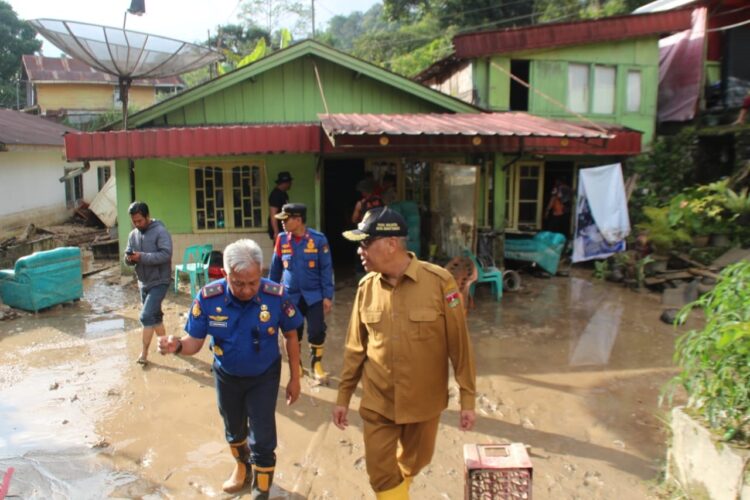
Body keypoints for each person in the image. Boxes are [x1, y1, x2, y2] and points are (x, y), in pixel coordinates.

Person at [332, 207, 476, 500]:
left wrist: (467, 398)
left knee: (416, 462)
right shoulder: (365, 288)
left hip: (423, 402)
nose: (360, 251)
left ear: (391, 244)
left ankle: (401, 488)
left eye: (365, 243)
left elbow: (459, 344)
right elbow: (354, 348)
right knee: (380, 473)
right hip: (378, 402)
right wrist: (343, 396)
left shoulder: (440, 282)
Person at [157, 239, 302, 498]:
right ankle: (242, 468)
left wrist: (295, 378)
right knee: (233, 428)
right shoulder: (208, 299)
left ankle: (261, 490)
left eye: (253, 282)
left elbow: (291, 335)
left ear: (261, 273)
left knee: (263, 436)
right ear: (225, 275)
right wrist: (176, 345)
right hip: (227, 376)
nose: (247, 290)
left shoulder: (276, 296)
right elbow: (194, 342)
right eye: (238, 283)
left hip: (264, 376)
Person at [269, 203, 334, 382]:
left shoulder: (318, 240)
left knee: (316, 331)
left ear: (298, 220)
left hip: (314, 296)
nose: (282, 223)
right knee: (293, 332)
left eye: (286, 219)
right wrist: (271, 294)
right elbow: (275, 270)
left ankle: (317, 365)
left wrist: (327, 296)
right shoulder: (282, 240)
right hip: (291, 297)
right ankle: (296, 365)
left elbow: (326, 270)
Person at [124, 201, 173, 366]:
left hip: (160, 281)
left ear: (147, 216)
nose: (137, 224)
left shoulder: (160, 231)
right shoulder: (133, 235)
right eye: (134, 221)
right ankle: (166, 346)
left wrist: (141, 257)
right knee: (155, 316)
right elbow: (129, 259)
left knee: (145, 316)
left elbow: (166, 254)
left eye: (140, 221)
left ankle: (144, 353)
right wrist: (129, 258)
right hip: (143, 282)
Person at [268, 171, 293, 241]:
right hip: (279, 229)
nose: (291, 184)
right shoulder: (276, 195)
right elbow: (273, 214)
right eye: (289, 183)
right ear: (285, 183)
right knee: (280, 250)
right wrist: (276, 232)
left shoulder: (284, 194)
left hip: (284, 228)